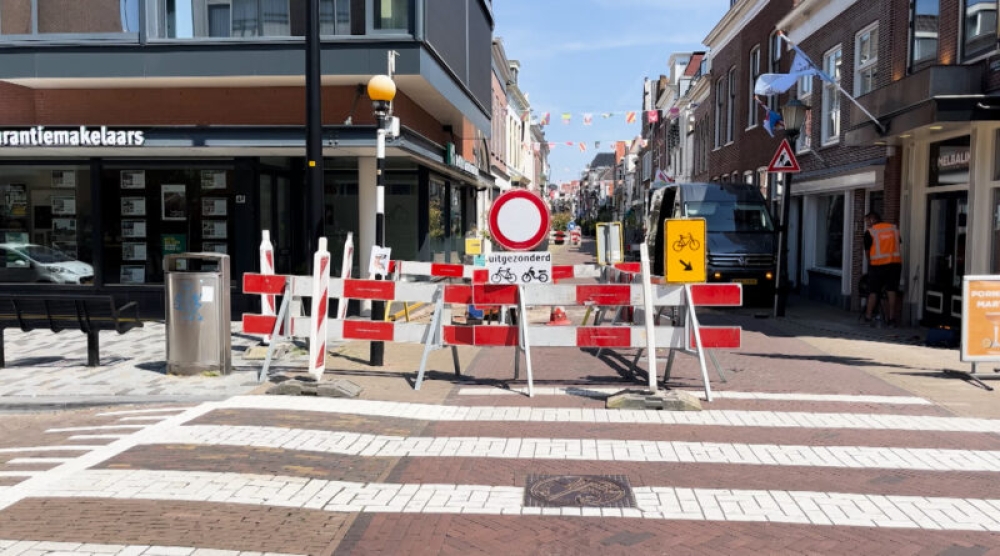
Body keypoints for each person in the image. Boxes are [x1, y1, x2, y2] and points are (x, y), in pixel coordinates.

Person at [863, 211, 902, 327]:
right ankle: (892, 319)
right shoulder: (894, 229)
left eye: (867, 221)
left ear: (872, 220)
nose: (867, 224)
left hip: (877, 266)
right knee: (891, 291)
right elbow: (898, 243)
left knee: (873, 291)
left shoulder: (870, 232)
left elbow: (867, 252)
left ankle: (868, 316)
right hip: (895, 265)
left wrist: (870, 263)